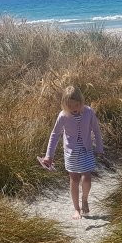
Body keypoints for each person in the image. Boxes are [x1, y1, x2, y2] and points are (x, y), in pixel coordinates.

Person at [41, 85, 104, 219]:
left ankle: (85, 199)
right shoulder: (63, 115)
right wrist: (49, 156)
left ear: (81, 102)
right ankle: (77, 209)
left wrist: (99, 148)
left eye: (76, 105)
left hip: (86, 150)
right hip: (70, 152)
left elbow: (97, 131)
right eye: (70, 106)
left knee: (87, 177)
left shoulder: (88, 112)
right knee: (74, 178)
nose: (74, 109)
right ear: (65, 105)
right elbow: (55, 134)